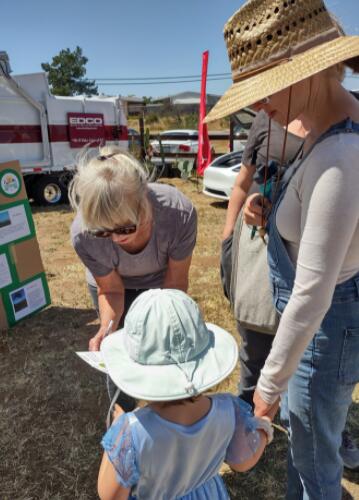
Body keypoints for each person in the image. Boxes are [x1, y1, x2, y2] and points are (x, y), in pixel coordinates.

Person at [206, 1, 359, 498]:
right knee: (307, 449)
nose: (258, 107)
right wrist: (265, 207)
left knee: (315, 465)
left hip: (323, 324)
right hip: (319, 325)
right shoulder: (321, 125)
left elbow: (313, 293)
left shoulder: (340, 154)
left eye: (262, 90)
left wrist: (266, 392)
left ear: (304, 71)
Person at [222, 110, 359, 470]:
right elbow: (244, 183)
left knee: (314, 373)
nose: (265, 103)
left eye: (271, 92)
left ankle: (322, 430)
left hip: (322, 277)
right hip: (267, 258)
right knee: (255, 348)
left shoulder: (343, 131)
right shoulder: (265, 122)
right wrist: (233, 230)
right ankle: (248, 430)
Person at [97, 288, 275, 500]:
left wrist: (117, 435)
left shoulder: (128, 431)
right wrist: (263, 425)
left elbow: (110, 495)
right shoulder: (229, 409)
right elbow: (242, 461)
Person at [70, 147, 197, 409]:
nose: (116, 239)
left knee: (166, 344)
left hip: (163, 282)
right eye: (103, 232)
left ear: (144, 200)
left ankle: (171, 408)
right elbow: (111, 290)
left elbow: (175, 285)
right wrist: (108, 328)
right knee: (119, 351)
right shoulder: (83, 234)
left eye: (125, 228)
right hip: (115, 286)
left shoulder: (178, 213)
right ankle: (122, 413)